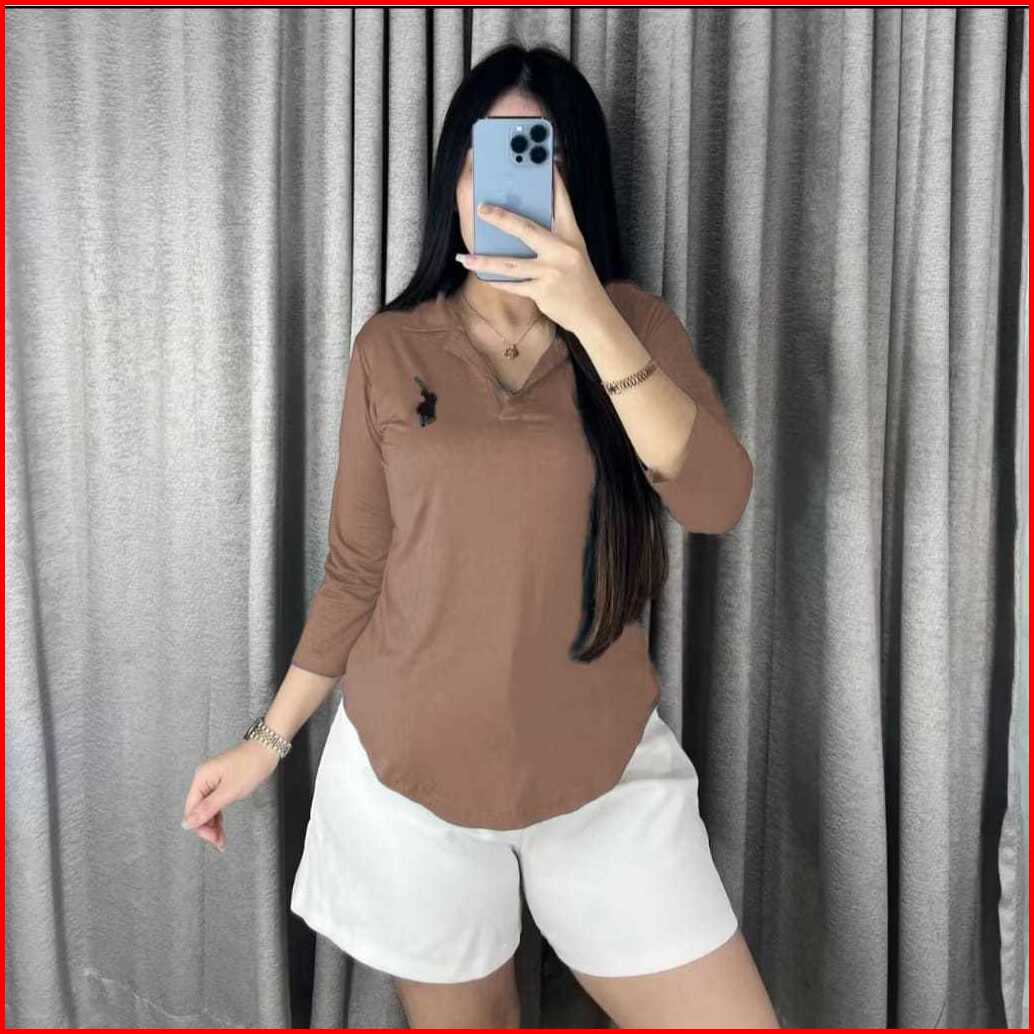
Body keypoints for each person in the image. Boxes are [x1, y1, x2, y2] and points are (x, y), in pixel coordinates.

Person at [181, 42, 779, 1029]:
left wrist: (587, 313)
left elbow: (717, 500)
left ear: (576, 184)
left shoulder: (634, 324)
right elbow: (356, 571)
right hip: (410, 781)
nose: (502, 186)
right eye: (482, 157)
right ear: (452, 180)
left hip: (601, 768)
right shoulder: (390, 346)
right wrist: (265, 742)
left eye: (535, 159)